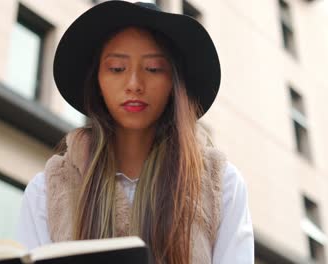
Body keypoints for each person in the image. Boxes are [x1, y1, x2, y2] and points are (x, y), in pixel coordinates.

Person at [16, 1, 254, 263]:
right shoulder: (47, 190)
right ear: (97, 80)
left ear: (173, 84)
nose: (134, 84)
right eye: (117, 69)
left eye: (153, 69)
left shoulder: (221, 185)